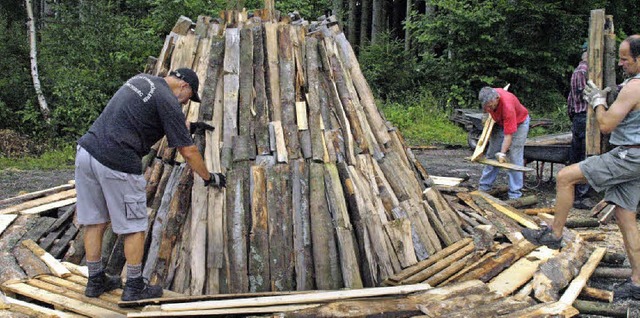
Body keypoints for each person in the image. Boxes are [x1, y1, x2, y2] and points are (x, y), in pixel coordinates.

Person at [75, 68, 226, 301]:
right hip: (118, 161)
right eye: (189, 97)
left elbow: (146, 117)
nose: (186, 103)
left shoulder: (142, 80)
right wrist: (208, 177)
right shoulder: (168, 100)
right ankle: (134, 286)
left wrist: (191, 127)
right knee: (134, 225)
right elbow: (188, 150)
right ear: (184, 87)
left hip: (87, 152)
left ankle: (95, 281)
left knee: (94, 220)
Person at [523, 35, 640, 299]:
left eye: (625, 59)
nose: (621, 63)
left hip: (628, 156)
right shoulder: (632, 86)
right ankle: (637, 282)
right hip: (636, 157)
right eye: (619, 58)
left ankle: (554, 233)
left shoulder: (635, 86)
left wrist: (598, 102)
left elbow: (607, 125)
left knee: (565, 177)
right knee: (625, 218)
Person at [477, 86, 531, 199]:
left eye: (490, 106)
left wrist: (502, 153)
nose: (488, 108)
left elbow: (508, 135)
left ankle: (515, 194)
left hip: (519, 123)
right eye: (486, 106)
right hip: (500, 122)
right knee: (491, 154)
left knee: (514, 156)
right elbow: (487, 112)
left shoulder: (508, 107)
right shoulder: (490, 96)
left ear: (496, 99)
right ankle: (484, 187)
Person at [567, 50, 594, 209]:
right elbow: (586, 94)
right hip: (585, 117)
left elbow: (571, 98)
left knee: (576, 156)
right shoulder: (583, 71)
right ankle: (581, 196)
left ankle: (575, 193)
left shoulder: (578, 71)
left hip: (579, 117)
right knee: (585, 156)